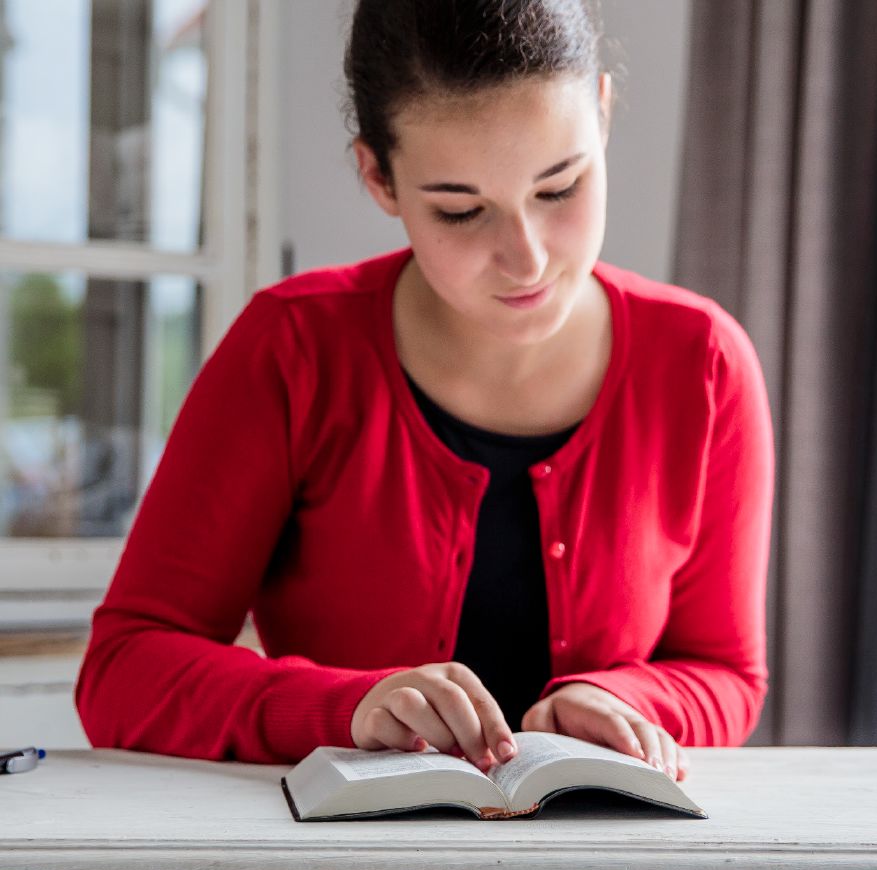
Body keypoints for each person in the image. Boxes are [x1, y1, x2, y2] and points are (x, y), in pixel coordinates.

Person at [75, 0, 775, 785]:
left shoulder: (704, 364)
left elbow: (727, 673)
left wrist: (625, 698)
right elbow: (122, 669)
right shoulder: (292, 351)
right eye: (461, 211)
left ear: (603, 114)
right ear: (378, 175)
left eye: (559, 187)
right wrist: (346, 707)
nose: (526, 258)